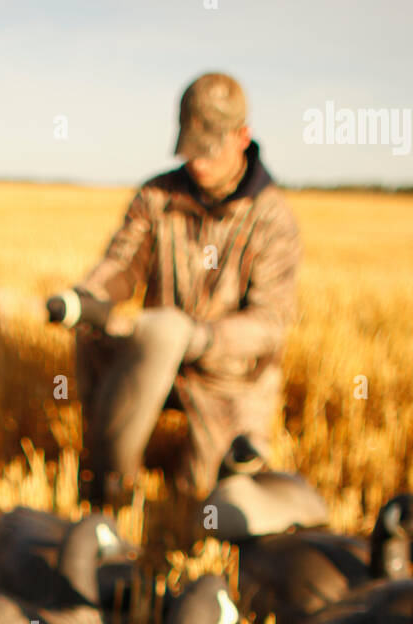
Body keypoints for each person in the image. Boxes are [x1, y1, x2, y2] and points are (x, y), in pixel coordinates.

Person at [54, 73, 302, 508]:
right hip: (156, 356)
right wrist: (89, 297)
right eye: (190, 150)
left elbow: (270, 322)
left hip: (229, 373)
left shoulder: (273, 219)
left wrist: (203, 338)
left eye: (209, 151)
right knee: (95, 336)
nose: (198, 163)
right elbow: (124, 263)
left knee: (212, 505)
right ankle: (109, 480)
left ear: (243, 137)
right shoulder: (157, 196)